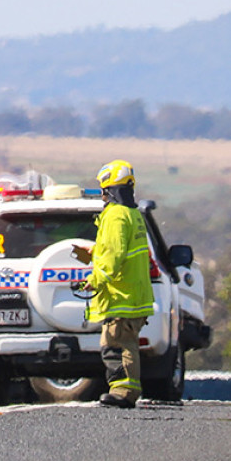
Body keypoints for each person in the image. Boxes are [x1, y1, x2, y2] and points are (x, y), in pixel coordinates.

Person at [75, 160, 154, 409]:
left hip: (121, 296)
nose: (102, 194)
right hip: (134, 293)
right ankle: (123, 389)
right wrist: (94, 252)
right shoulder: (132, 214)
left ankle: (124, 392)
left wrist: (94, 280)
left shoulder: (115, 216)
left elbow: (113, 257)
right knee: (118, 342)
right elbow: (118, 250)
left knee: (117, 343)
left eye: (103, 189)